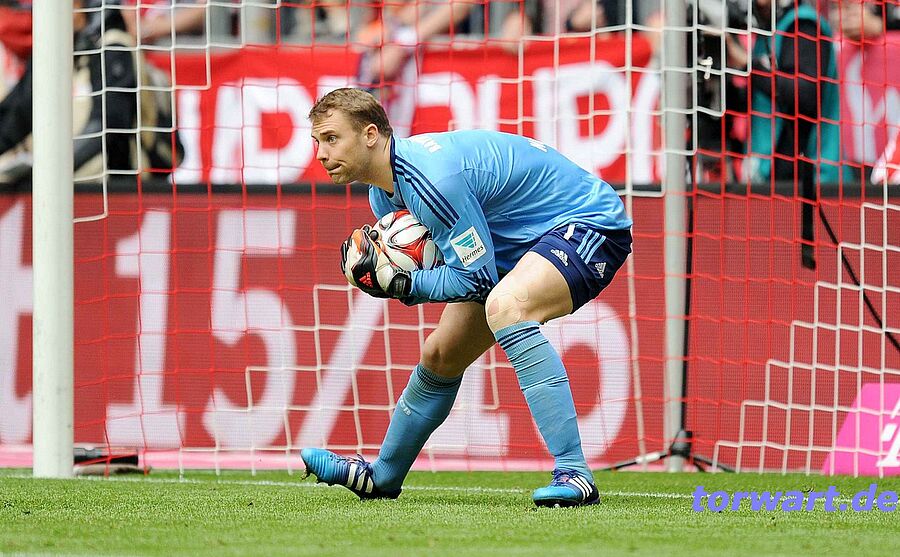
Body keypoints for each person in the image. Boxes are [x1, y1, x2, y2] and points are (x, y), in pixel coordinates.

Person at [300, 88, 633, 508]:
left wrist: (404, 286)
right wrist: (399, 278)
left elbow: (474, 279)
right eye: (317, 142)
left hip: (587, 223)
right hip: (513, 245)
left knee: (506, 306)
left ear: (370, 134)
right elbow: (461, 263)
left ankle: (574, 471)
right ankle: (382, 476)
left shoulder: (431, 180)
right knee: (440, 354)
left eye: (332, 138)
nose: (321, 154)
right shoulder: (382, 194)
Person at [724, 0, 845, 185]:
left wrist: (748, 65)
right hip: (774, 175)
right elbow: (759, 101)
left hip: (812, 178)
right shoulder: (769, 31)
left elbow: (805, 94)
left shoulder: (803, 25)